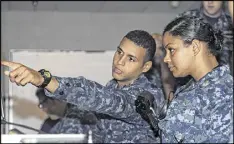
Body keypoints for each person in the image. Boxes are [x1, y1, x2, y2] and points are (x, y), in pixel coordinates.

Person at [1, 30, 164, 143]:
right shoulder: (112, 87)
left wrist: (44, 80)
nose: (119, 61)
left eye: (131, 59)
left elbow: (105, 99)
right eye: (119, 52)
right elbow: (86, 119)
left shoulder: (148, 97)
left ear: (145, 67)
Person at [157, 15, 233, 143]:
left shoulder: (225, 94)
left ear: (195, 47)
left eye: (171, 50)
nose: (166, 59)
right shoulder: (188, 88)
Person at [177, 1, 233, 75]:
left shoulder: (230, 22)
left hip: (223, 79)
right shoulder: (186, 18)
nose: (210, 2)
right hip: (190, 80)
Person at [145, 33, 176, 101]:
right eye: (154, 48)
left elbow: (168, 84)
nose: (157, 52)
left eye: (161, 48)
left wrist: (163, 61)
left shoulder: (173, 68)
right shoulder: (146, 71)